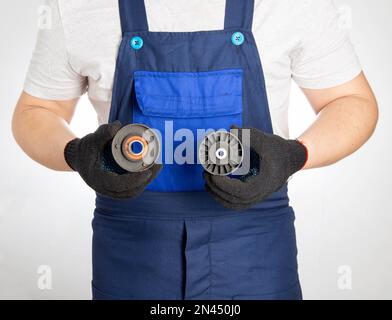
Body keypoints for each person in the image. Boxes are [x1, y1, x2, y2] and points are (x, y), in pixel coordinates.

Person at [12, 0, 378, 300]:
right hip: (131, 259)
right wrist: (75, 153)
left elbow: (352, 102)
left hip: (256, 255)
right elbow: (37, 111)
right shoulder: (77, 7)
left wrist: (295, 154)